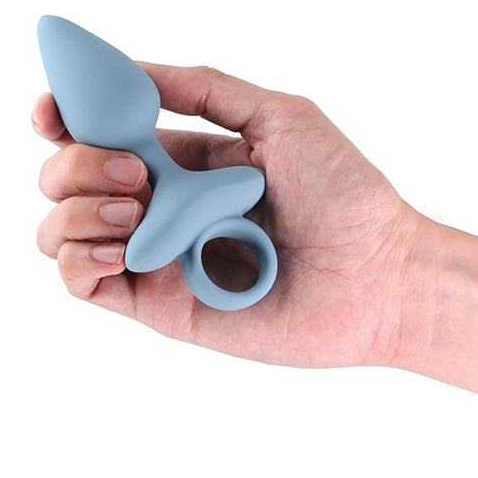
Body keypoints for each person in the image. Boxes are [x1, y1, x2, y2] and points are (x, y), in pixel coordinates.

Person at [32, 63, 478, 393]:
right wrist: (396, 293)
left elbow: (146, 252)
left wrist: (397, 279)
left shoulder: (200, 204)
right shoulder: (235, 187)